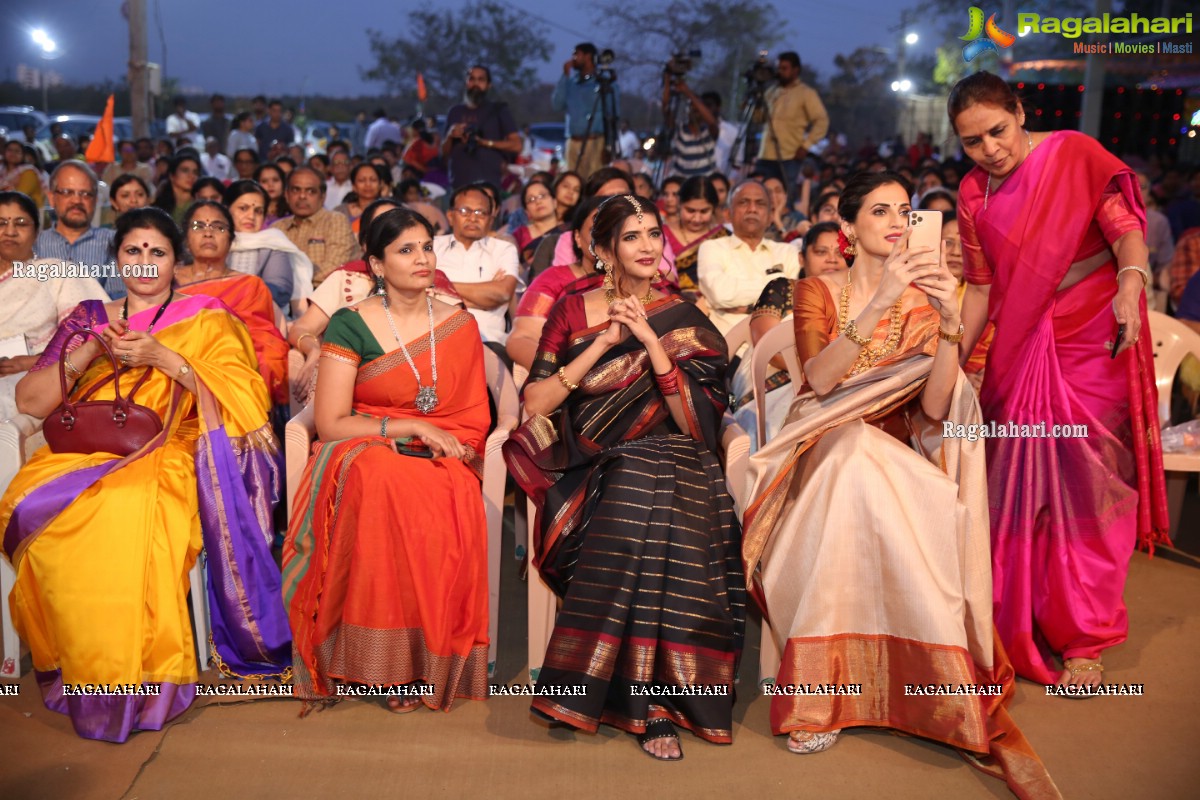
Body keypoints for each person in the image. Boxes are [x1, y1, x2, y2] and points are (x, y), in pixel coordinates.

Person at [741, 173, 1057, 797]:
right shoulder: (817, 291)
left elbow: (938, 409)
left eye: (906, 211)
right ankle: (820, 695)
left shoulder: (931, 299)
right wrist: (882, 299)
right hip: (818, 448)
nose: (896, 220)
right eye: (879, 210)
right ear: (847, 227)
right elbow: (821, 385)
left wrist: (945, 321)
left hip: (898, 454)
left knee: (875, 464)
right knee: (852, 453)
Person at [0, 207, 290, 742]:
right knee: (30, 504)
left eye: (157, 252)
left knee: (125, 512)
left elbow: (246, 401)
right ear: (117, 260)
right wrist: (91, 347)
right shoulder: (89, 316)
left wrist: (164, 357)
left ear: (175, 262)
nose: (145, 262)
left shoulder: (208, 317)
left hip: (170, 448)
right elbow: (32, 399)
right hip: (81, 451)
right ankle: (83, 666)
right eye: (133, 251)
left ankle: (135, 680)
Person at [505, 194, 744, 760]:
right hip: (590, 461)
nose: (647, 246)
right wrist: (605, 345)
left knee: (661, 485)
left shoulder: (683, 315)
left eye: (654, 235)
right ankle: (646, 701)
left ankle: (655, 702)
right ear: (604, 250)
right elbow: (536, 402)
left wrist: (654, 347)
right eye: (633, 236)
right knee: (638, 485)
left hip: (675, 455)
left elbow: (698, 425)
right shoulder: (573, 308)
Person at [951, 72, 1169, 688]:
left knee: (1091, 482)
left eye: (998, 130)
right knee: (1015, 489)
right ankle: (1016, 620)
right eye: (972, 142)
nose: (990, 149)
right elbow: (982, 290)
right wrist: (951, 364)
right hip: (1019, 349)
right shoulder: (973, 195)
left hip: (1094, 333)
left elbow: (1126, 229)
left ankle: (1084, 635)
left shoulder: (1072, 153)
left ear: (1020, 113)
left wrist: (1132, 284)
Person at [283, 208, 489, 713]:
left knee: (451, 490)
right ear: (376, 264)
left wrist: (448, 440)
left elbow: (470, 417)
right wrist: (412, 426)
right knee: (384, 481)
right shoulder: (351, 325)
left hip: (441, 451)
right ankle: (387, 669)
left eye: (425, 247)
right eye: (405, 250)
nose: (421, 259)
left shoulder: (460, 325)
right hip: (365, 444)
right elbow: (331, 421)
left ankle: (431, 663)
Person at [729, 221, 846, 448]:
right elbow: (770, 349)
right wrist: (820, 371)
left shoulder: (855, 298)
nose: (831, 259)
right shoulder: (784, 289)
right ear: (802, 259)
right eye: (821, 252)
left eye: (839, 253)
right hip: (775, 388)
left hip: (832, 389)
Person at [0, 191, 109, 418]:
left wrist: (33, 362)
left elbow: (94, 334)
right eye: (1, 223)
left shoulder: (56, 272)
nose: (10, 231)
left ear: (37, 231)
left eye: (20, 223)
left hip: (33, 379)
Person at [175, 200, 290, 407]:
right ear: (186, 238)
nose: (208, 233)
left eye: (218, 227)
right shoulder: (166, 283)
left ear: (231, 240)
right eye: (198, 226)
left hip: (235, 361)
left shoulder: (249, 285)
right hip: (177, 359)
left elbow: (262, 338)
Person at [506, 196, 607, 369]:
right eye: (595, 230)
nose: (605, 237)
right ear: (577, 237)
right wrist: (561, 375)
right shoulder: (553, 280)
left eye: (615, 230)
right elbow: (521, 339)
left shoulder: (644, 281)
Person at [698, 180, 800, 334]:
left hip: (776, 348)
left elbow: (796, 300)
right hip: (727, 350)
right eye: (743, 202)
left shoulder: (788, 252)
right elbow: (719, 293)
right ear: (728, 213)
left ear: (771, 216)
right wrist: (777, 291)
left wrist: (748, 307)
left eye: (760, 204)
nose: (752, 209)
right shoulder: (712, 247)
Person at [433, 184, 519, 348]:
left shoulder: (503, 249)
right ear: (450, 216)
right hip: (436, 338)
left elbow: (502, 293)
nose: (473, 218)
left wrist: (440, 285)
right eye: (465, 211)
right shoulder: (432, 246)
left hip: (488, 342)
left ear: (491, 219)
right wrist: (485, 299)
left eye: (480, 212)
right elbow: (419, 292)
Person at [225, 180, 314, 315]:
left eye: (258, 211)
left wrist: (234, 295)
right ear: (226, 209)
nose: (251, 216)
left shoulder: (273, 243)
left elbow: (280, 290)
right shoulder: (215, 242)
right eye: (243, 208)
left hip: (260, 318)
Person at [36, 162, 120, 298]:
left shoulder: (114, 243)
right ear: (52, 199)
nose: (76, 200)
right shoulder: (33, 245)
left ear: (96, 200)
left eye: (86, 194)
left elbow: (118, 300)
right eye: (67, 192)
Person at [272, 167, 360, 286]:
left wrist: (294, 286)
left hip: (329, 297)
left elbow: (334, 269)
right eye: (296, 190)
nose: (302, 196)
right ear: (287, 195)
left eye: (310, 191)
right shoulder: (277, 229)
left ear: (323, 196)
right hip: (284, 300)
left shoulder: (335, 221)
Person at [755, 52, 829, 191]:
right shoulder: (771, 91)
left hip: (789, 156)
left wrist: (806, 146)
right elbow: (758, 119)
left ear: (796, 70)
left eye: (784, 68)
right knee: (760, 193)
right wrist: (756, 99)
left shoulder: (806, 93)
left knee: (784, 196)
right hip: (765, 154)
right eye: (778, 68)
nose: (780, 72)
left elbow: (822, 121)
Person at [442, 65, 521, 189]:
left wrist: (484, 142)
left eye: (481, 80)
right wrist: (450, 135)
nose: (476, 84)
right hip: (458, 183)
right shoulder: (455, 112)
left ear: (489, 85)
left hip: (489, 183)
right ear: (466, 83)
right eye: (472, 79)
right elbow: (443, 154)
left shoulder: (498, 110)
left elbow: (516, 145)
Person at [553, 43, 621, 179]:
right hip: (573, 141)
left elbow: (613, 115)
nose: (573, 58)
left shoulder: (604, 83)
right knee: (573, 181)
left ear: (588, 56)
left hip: (596, 141)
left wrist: (608, 146)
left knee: (594, 180)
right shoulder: (571, 83)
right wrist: (565, 75)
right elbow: (557, 104)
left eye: (577, 54)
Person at [665, 176, 728, 303]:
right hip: (670, 304)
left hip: (716, 305)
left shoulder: (723, 236)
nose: (697, 218)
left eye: (704, 211)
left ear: (714, 208)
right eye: (690, 210)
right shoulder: (661, 234)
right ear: (679, 204)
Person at [661, 75, 718, 178]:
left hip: (705, 182)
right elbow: (666, 108)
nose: (694, 111)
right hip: (682, 183)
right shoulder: (680, 130)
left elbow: (712, 122)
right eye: (691, 108)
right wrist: (667, 80)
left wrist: (688, 93)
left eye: (697, 109)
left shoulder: (708, 131)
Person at [512, 180, 561, 266]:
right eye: (531, 199)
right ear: (527, 211)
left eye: (542, 196)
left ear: (554, 202)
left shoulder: (568, 230)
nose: (538, 202)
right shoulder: (519, 235)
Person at [334, 163, 390, 233]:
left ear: (380, 184)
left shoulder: (390, 211)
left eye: (373, 180)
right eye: (362, 180)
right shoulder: (340, 212)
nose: (368, 184)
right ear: (353, 186)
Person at [152, 153, 201, 226]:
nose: (191, 176)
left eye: (195, 172)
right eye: (185, 170)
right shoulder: (158, 206)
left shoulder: (199, 206)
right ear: (172, 175)